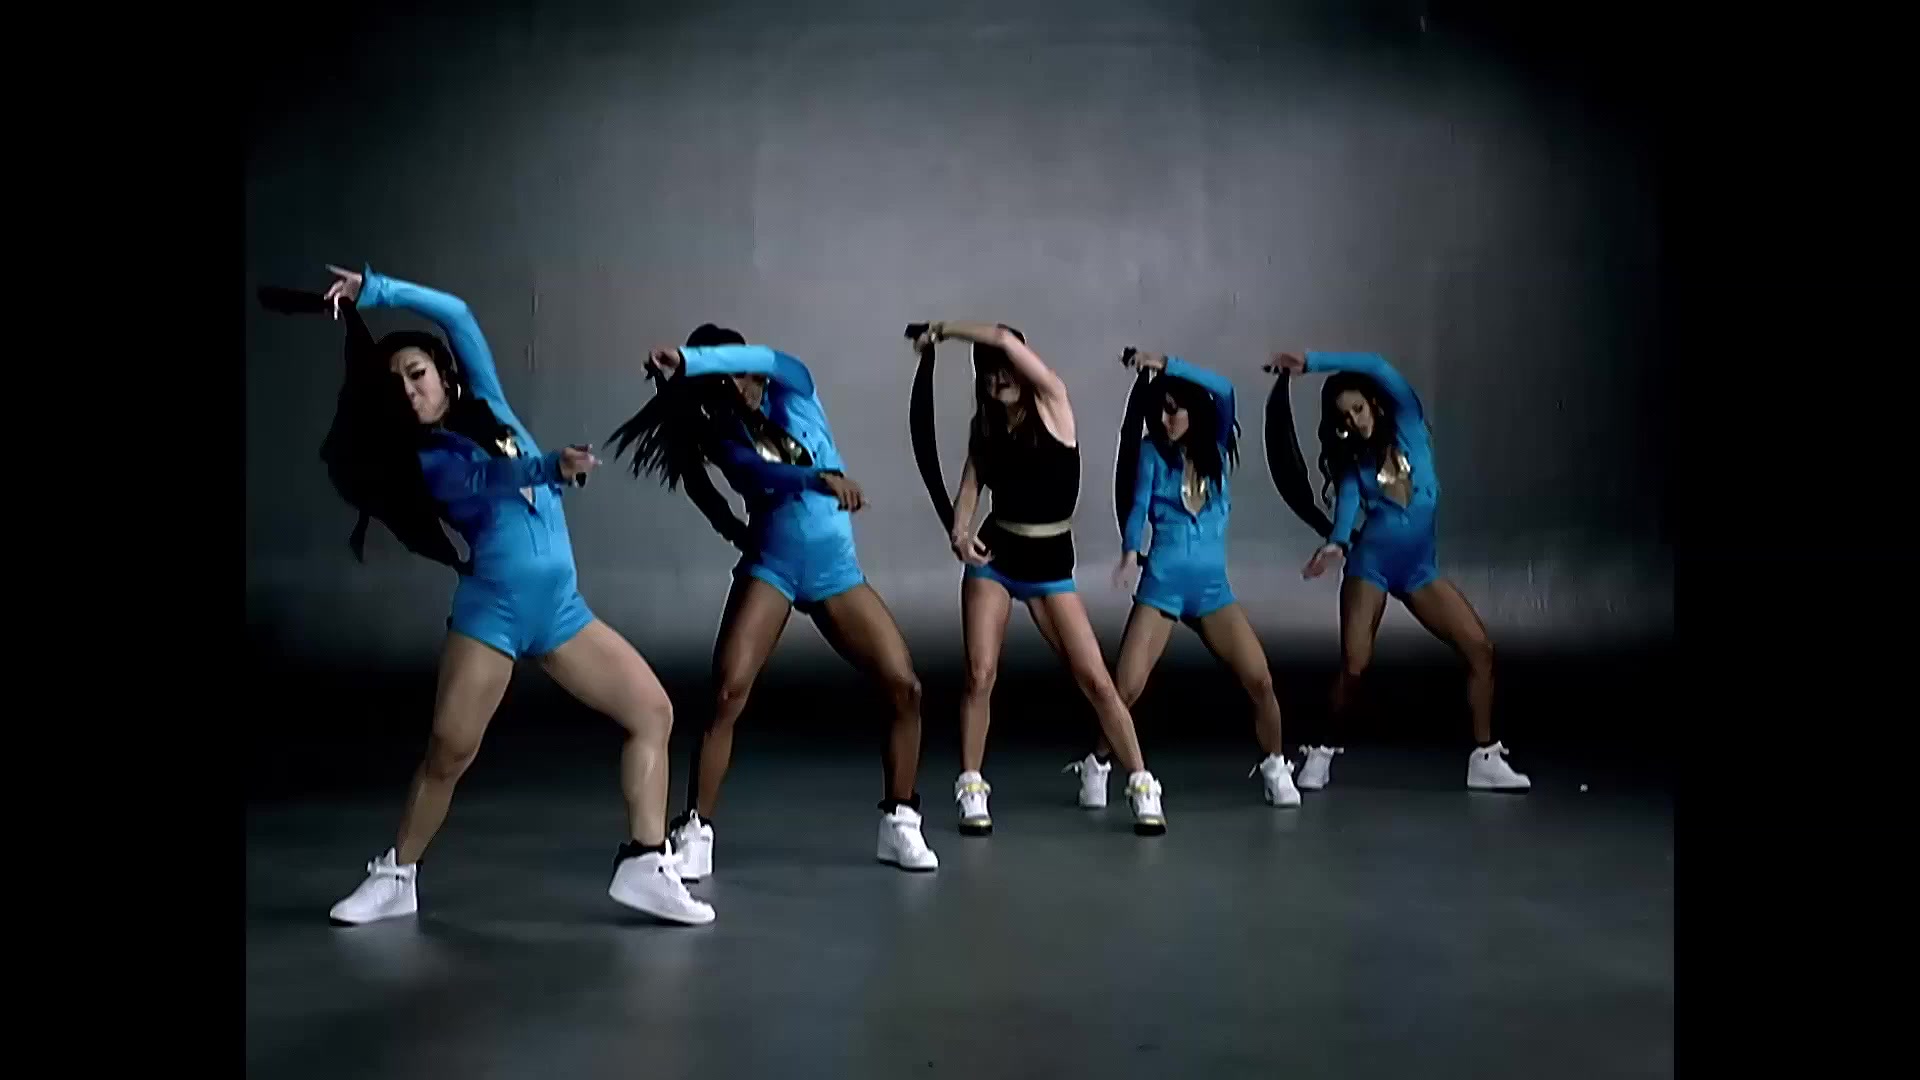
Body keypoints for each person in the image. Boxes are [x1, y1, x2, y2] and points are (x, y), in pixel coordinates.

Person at [308, 264, 712, 927]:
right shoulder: (427, 460)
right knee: (449, 752)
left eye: (417, 374)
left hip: (561, 613)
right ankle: (397, 875)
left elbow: (458, 313)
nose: (409, 390)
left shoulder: (489, 403)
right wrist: (551, 466)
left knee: (653, 712)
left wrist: (374, 290)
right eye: (395, 384)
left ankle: (645, 862)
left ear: (445, 373)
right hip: (492, 615)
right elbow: (491, 479)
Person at [610, 327, 938, 879]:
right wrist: (808, 484)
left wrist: (687, 358)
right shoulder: (724, 433)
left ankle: (900, 820)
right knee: (727, 692)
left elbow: (767, 357)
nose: (746, 386)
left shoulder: (796, 386)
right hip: (774, 568)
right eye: (729, 379)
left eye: (746, 373)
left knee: (905, 687)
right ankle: (696, 831)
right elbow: (754, 472)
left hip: (835, 572)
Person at [909, 321, 1167, 836]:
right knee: (980, 674)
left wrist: (943, 330)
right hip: (997, 559)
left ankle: (1141, 782)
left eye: (1007, 369)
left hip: (1050, 567)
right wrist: (960, 533)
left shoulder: (1053, 404)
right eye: (989, 373)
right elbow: (971, 485)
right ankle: (971, 785)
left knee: (1096, 680)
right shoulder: (986, 426)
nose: (999, 378)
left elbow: (1004, 340)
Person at [1268, 349, 1530, 792]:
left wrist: (1310, 363)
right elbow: (1346, 512)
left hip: (1418, 570)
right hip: (1370, 567)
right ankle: (1321, 751)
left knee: (1480, 649)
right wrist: (1335, 544)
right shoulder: (1355, 465)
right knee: (1355, 665)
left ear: (1374, 403)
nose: (1354, 420)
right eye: (1344, 416)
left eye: (1358, 408)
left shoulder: (1410, 422)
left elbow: (1377, 366)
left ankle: (1484, 758)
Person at [1094, 349, 1301, 808]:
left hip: (1212, 592)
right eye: (1160, 411)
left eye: (1175, 410)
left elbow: (1224, 390)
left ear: (1194, 411)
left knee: (1260, 680)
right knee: (1126, 687)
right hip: (1162, 585)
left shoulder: (1218, 450)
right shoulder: (1152, 453)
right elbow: (1137, 504)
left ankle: (1274, 764)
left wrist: (1166, 364)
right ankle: (1099, 762)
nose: (1165, 420)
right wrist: (1129, 550)